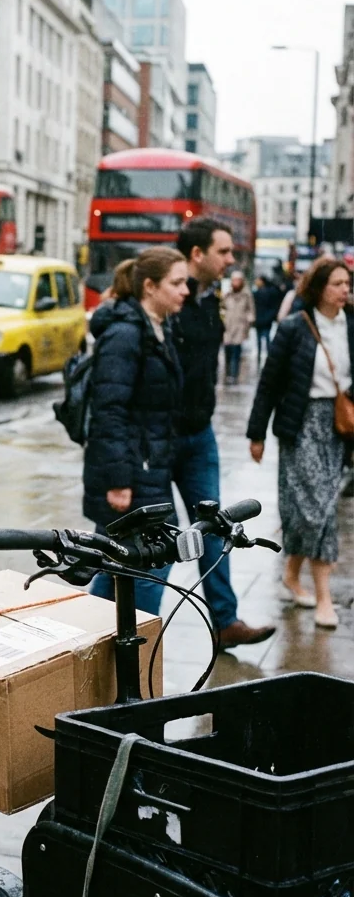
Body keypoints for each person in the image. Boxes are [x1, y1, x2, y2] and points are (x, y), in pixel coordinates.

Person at [171, 218, 275, 650]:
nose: (232, 259)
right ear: (198, 254)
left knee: (216, 526)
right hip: (160, 440)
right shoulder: (172, 296)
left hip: (199, 435)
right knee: (152, 542)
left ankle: (226, 620)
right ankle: (122, 627)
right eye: (224, 251)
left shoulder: (210, 299)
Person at [247, 257, 353, 629]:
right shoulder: (295, 327)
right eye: (337, 283)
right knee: (315, 510)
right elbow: (269, 383)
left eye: (347, 284)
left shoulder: (350, 326)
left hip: (338, 426)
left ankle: (292, 574)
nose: (345, 290)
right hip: (300, 423)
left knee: (314, 507)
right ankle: (324, 597)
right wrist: (256, 433)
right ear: (319, 287)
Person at [86, 249, 187, 617]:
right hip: (133, 472)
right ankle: (137, 655)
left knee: (118, 564)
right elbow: (109, 410)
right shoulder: (126, 334)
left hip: (149, 466)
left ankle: (88, 639)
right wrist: (118, 480)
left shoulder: (158, 328)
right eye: (176, 283)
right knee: (151, 563)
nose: (185, 290)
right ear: (149, 286)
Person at [222, 270, 255, 384]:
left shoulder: (246, 295)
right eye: (234, 280)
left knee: (236, 352)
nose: (235, 282)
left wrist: (249, 320)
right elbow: (222, 307)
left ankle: (234, 375)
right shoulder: (227, 294)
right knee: (227, 352)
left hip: (240, 326)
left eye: (238, 280)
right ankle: (227, 372)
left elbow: (251, 310)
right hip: (227, 326)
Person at [252, 274, 282, 369]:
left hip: (264, 320)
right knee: (262, 340)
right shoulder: (258, 292)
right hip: (262, 320)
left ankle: (266, 359)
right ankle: (263, 359)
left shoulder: (267, 292)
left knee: (265, 339)